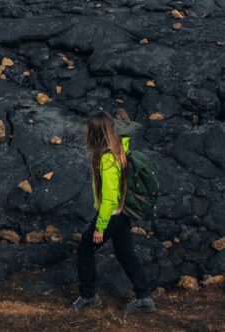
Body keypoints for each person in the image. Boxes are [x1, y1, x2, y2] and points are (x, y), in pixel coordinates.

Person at [71, 111, 155, 313]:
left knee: (84, 249)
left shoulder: (107, 159)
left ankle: (88, 296)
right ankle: (144, 298)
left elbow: (109, 199)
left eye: (90, 130)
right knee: (126, 254)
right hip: (122, 212)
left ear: (96, 133)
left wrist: (100, 227)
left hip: (113, 214)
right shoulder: (120, 149)